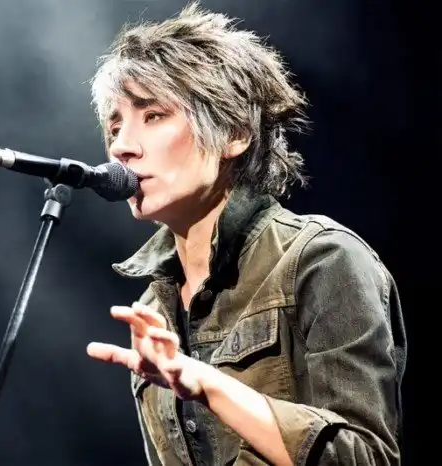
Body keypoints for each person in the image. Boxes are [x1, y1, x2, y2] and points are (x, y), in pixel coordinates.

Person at [85, 3, 407, 466]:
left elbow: (366, 456)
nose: (120, 146)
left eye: (152, 115)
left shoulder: (322, 259)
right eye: (114, 127)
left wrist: (207, 384)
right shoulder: (153, 308)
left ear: (234, 133)